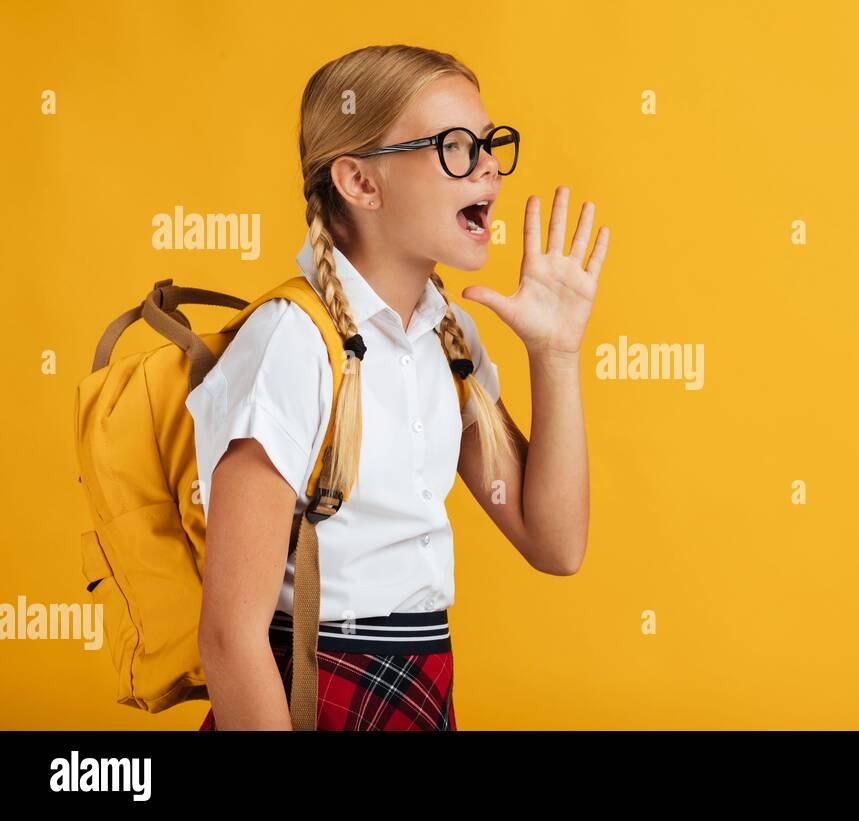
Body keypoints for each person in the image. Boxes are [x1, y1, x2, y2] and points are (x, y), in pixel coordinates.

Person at [189, 44, 609, 730]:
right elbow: (231, 639)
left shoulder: (450, 339)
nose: (489, 166)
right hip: (309, 695)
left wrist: (556, 354)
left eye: (488, 145)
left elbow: (555, 542)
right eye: (454, 147)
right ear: (360, 181)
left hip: (418, 684)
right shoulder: (293, 343)